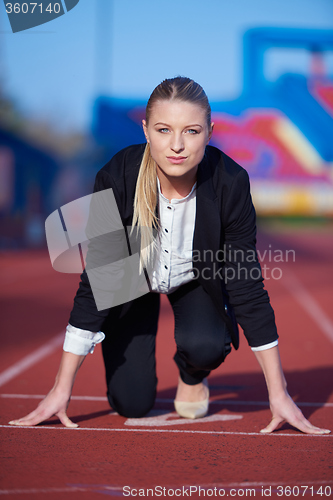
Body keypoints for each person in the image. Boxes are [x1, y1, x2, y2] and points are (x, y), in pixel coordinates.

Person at [9, 77, 330, 434]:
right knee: (131, 402)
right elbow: (99, 279)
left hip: (195, 278)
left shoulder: (231, 182)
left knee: (205, 345)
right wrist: (61, 388)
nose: (177, 145)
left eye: (191, 131)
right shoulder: (117, 177)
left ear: (210, 132)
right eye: (164, 129)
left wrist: (279, 392)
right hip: (132, 281)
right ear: (146, 131)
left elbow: (246, 286)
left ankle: (192, 375)